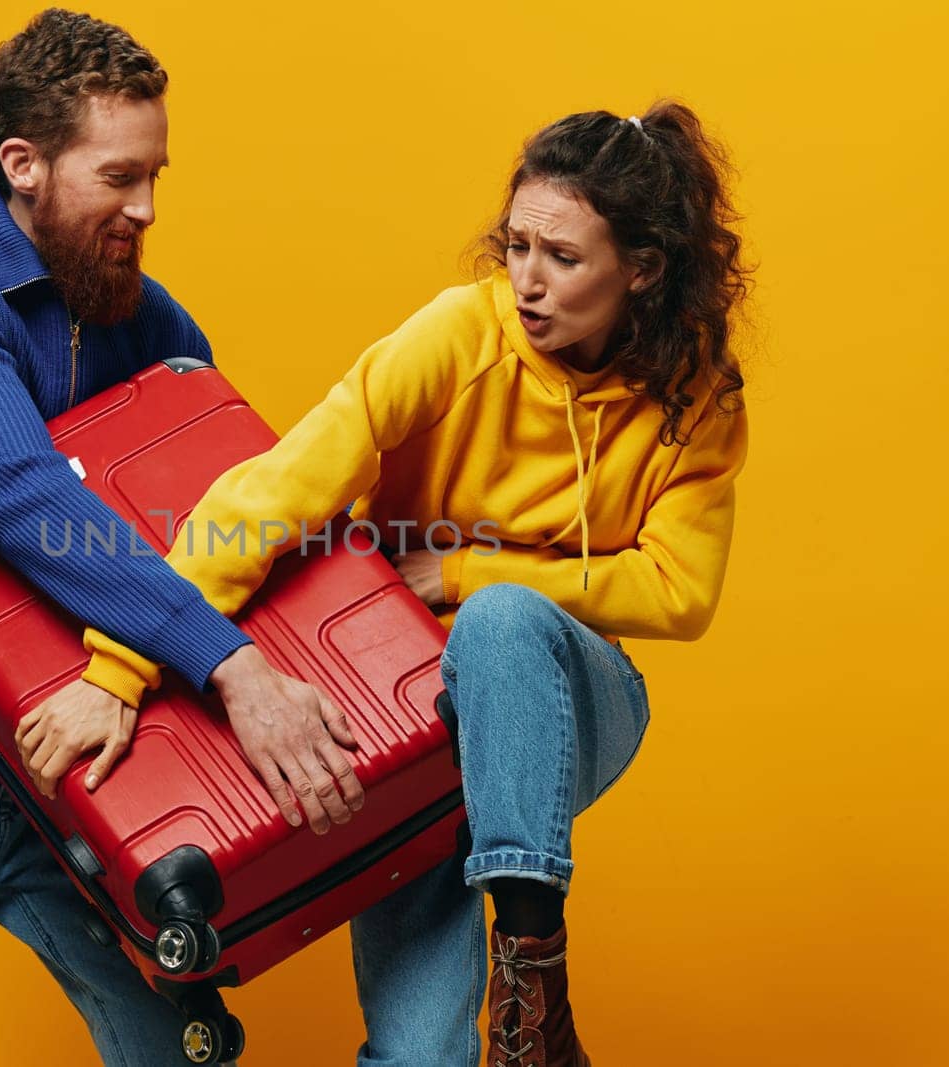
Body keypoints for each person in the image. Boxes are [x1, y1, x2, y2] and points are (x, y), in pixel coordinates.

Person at [41, 102, 750, 1066]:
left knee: (498, 622)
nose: (527, 282)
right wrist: (121, 665)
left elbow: (679, 590)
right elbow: (275, 490)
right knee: (420, 1054)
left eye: (564, 258)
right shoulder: (463, 336)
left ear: (644, 268)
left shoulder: (696, 395)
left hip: (569, 697)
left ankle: (532, 982)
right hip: (416, 721)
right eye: (516, 246)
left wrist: (465, 572)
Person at [0, 10, 360, 1064]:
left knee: (179, 1041)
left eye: (156, 178)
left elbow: (231, 491)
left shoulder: (139, 313)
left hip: (67, 728)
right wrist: (234, 666)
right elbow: (30, 502)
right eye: (118, 178)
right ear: (23, 164)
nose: (143, 208)